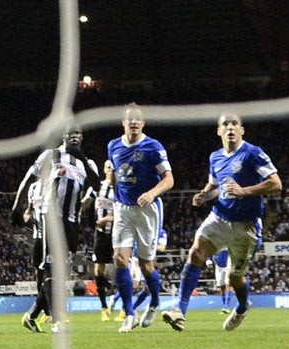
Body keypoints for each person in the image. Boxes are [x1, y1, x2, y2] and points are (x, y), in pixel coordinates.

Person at [162, 113, 280, 332]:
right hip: (219, 217)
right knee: (196, 253)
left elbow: (275, 184)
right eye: (225, 124)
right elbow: (215, 186)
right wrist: (203, 196)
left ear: (242, 130)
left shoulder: (253, 153)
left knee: (234, 277)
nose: (230, 128)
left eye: (235, 124)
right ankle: (180, 310)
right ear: (219, 131)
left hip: (246, 226)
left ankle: (243, 306)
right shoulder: (215, 157)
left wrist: (245, 191)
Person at [11, 129, 92, 332]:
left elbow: (97, 186)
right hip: (51, 216)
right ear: (63, 137)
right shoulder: (51, 155)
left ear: (81, 138)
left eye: (77, 133)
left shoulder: (87, 163)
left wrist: (81, 157)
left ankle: (31, 316)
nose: (74, 136)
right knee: (50, 267)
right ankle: (56, 319)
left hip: (73, 221)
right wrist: (16, 206)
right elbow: (29, 178)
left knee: (61, 271)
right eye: (69, 133)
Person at [104, 104, 174, 332]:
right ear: (123, 122)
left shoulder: (153, 147)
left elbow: (169, 179)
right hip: (123, 209)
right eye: (129, 119)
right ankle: (129, 314)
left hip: (148, 210)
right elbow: (116, 177)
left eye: (137, 119)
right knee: (119, 259)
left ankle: (154, 300)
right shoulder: (113, 146)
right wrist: (112, 185)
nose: (133, 122)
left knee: (145, 265)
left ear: (142, 123)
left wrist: (152, 193)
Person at [89, 180, 117, 321]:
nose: (111, 171)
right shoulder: (98, 187)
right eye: (108, 167)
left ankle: (126, 309)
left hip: (118, 233)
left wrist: (109, 218)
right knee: (99, 269)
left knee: (124, 267)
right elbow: (86, 203)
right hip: (100, 234)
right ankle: (104, 307)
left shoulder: (122, 187)